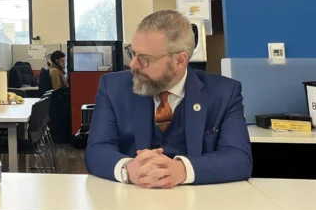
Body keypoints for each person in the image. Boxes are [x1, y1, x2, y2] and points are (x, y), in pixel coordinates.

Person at [85, 10, 252, 188]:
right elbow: (97, 150)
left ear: (179, 61)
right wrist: (129, 169)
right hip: (133, 199)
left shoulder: (224, 93)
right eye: (132, 53)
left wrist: (182, 170)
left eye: (145, 58)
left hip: (200, 203)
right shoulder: (113, 87)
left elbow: (239, 159)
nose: (133, 64)